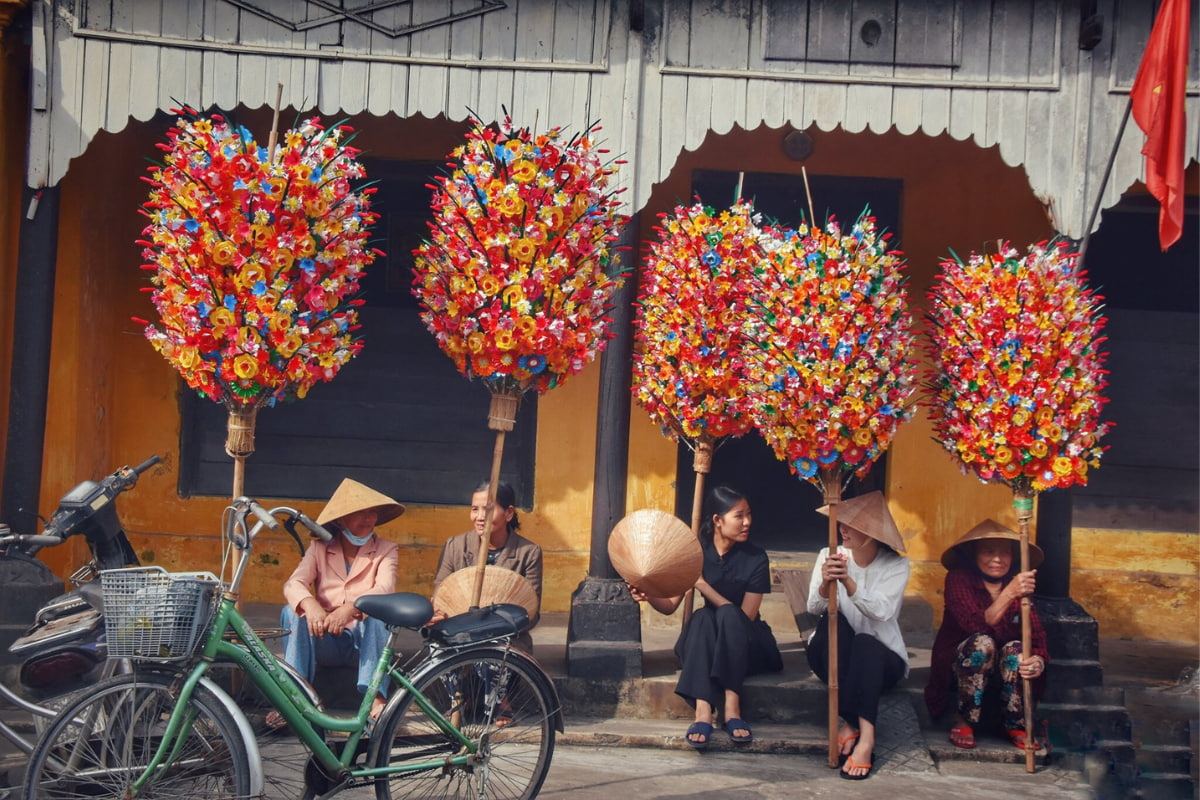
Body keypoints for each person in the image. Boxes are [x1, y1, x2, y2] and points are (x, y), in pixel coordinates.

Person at [629, 486, 783, 750]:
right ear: (717, 521)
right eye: (739, 516)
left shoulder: (756, 557)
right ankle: (703, 712)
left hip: (746, 642)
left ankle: (732, 709)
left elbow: (744, 618)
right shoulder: (696, 552)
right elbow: (669, 606)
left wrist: (702, 586)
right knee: (701, 618)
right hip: (708, 641)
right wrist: (648, 594)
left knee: (727, 614)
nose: (747, 522)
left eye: (748, 515)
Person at [273, 478, 404, 728]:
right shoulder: (319, 548)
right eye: (358, 513)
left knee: (379, 613)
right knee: (292, 611)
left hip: (364, 643)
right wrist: (310, 604)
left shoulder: (387, 549)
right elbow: (294, 584)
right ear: (341, 520)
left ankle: (375, 697)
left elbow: (385, 588)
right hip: (326, 639)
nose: (367, 518)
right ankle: (297, 695)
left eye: (371, 512)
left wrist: (351, 608)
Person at [806, 490, 910, 780]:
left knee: (867, 642)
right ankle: (854, 725)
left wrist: (848, 582)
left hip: (880, 663)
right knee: (834, 623)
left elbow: (882, 612)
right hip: (834, 657)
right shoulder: (829, 555)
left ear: (872, 533)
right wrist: (827, 582)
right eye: (843, 522)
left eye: (852, 525)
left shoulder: (896, 566)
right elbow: (813, 607)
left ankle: (864, 737)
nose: (842, 529)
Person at [924, 519, 1048, 751]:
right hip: (963, 662)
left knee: (1017, 650)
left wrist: (1037, 661)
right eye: (989, 551)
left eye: (1005, 553)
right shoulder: (959, 579)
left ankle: (1015, 723)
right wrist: (1010, 592)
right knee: (982, 644)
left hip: (1003, 666)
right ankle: (964, 718)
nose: (997, 559)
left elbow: (1036, 635)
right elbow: (978, 624)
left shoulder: (1020, 585)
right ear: (974, 554)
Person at [432, 480, 543, 653]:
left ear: (509, 513)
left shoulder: (528, 553)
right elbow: (441, 595)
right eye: (475, 509)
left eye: (488, 509)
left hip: (506, 639)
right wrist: (437, 613)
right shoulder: (455, 546)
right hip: (458, 634)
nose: (480, 517)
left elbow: (531, 614)